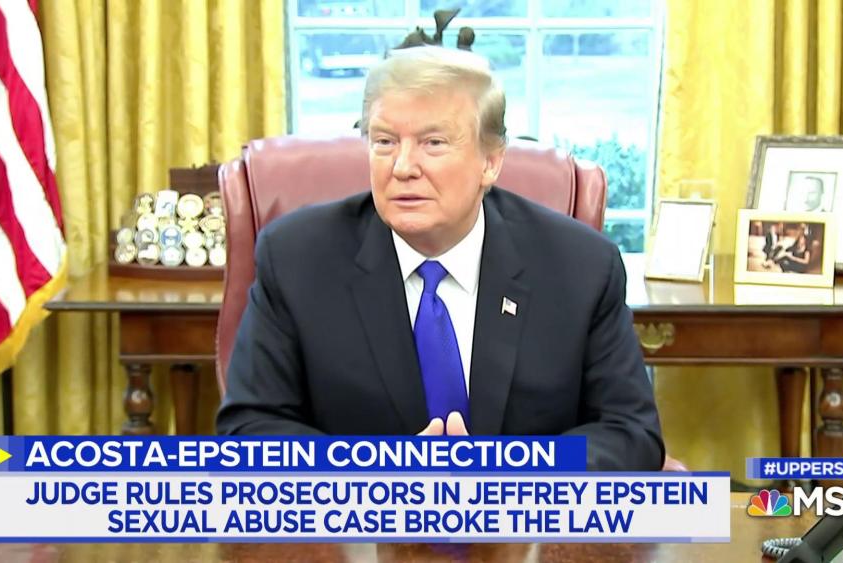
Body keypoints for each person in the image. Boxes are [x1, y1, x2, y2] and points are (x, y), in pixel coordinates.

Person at [216, 46, 665, 471]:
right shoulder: (297, 259)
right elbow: (249, 430)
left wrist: (510, 474)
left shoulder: (580, 267)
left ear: (490, 162)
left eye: (433, 143)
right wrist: (380, 472)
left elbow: (631, 433)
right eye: (385, 141)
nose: (402, 167)